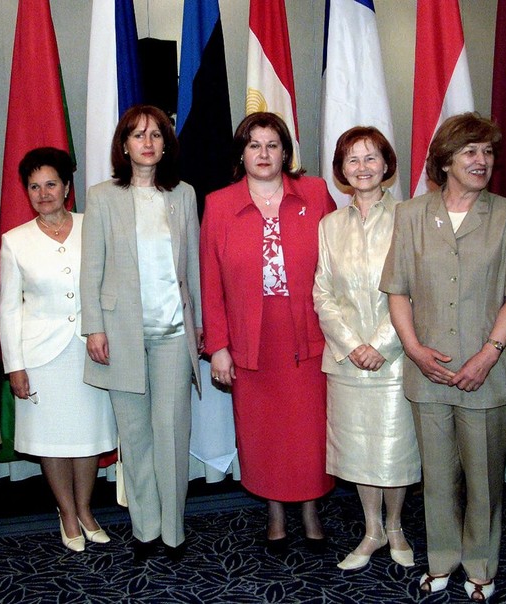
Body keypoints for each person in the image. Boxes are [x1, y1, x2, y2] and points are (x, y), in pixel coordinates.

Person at [380, 113, 506, 602]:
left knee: (485, 481)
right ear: (444, 161)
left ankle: (481, 567)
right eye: (470, 151)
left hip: (488, 373)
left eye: (487, 151)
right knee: (438, 477)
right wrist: (415, 350)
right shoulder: (410, 215)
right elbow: (397, 291)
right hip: (429, 373)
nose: (481, 160)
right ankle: (441, 560)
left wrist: (488, 354)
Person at [201, 112, 336, 553]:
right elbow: (210, 281)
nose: (263, 153)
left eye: (272, 144)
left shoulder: (314, 194)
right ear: (242, 153)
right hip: (251, 339)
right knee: (263, 434)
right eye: (254, 145)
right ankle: (276, 513)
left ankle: (311, 509)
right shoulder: (219, 203)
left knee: (311, 432)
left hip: (308, 334)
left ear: (285, 152)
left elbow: (337, 263)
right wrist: (218, 346)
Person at [80, 105, 202, 562]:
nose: (147, 143)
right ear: (124, 145)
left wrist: (201, 323)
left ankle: (173, 532)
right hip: (121, 335)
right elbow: (91, 268)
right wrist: (93, 327)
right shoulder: (103, 196)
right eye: (137, 135)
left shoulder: (184, 194)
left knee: (172, 435)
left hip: (173, 333)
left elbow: (192, 266)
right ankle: (146, 531)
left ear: (166, 144)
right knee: (135, 438)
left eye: (155, 135)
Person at [0, 147, 117, 553]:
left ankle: (86, 510)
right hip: (41, 357)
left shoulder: (94, 225)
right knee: (52, 440)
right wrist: (14, 366)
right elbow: (9, 309)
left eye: (51, 184)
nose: (43, 193)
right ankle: (66, 513)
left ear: (67, 187)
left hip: (90, 349)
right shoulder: (15, 242)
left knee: (86, 437)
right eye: (34, 186)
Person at [313, 127, 419, 571]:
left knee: (392, 448)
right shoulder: (329, 225)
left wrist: (379, 344)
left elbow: (414, 290)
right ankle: (371, 529)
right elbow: (322, 292)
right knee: (358, 449)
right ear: (341, 170)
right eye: (352, 160)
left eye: (371, 158)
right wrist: (354, 345)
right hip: (346, 358)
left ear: (387, 164)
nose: (362, 167)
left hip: (394, 358)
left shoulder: (410, 217)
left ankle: (395, 526)